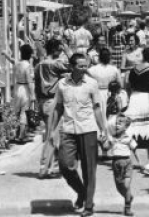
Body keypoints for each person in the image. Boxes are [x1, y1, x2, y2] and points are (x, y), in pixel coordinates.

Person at [47, 53, 109, 217]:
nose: (84, 69)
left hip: (88, 129)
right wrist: (52, 130)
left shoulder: (92, 83)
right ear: (71, 66)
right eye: (80, 66)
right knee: (65, 165)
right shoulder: (62, 84)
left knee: (89, 169)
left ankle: (88, 205)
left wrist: (103, 129)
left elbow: (97, 108)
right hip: (68, 129)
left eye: (85, 66)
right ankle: (82, 192)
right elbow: (58, 108)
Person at [36, 39, 70, 179]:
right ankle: (44, 168)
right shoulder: (56, 64)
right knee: (51, 135)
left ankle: (54, 167)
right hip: (52, 101)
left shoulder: (39, 65)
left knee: (54, 135)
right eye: (60, 49)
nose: (61, 52)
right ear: (55, 50)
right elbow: (74, 66)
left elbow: (36, 85)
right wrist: (68, 51)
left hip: (42, 101)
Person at [102, 93, 136, 216]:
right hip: (116, 163)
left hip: (127, 162)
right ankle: (129, 196)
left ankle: (127, 207)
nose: (117, 124)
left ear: (126, 126)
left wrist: (138, 160)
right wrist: (104, 142)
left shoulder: (128, 137)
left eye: (120, 123)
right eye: (116, 122)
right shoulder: (112, 138)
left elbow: (134, 147)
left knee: (126, 185)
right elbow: (106, 147)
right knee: (119, 186)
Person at [125, 47, 149, 144]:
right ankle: (146, 141)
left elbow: (127, 85)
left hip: (134, 96)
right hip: (147, 98)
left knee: (135, 122)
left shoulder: (133, 70)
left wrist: (130, 96)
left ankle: (135, 142)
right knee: (147, 123)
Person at [8, 44, 36, 144]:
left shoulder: (18, 64)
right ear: (30, 54)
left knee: (16, 112)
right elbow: (29, 81)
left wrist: (6, 55)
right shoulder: (28, 66)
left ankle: (13, 134)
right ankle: (21, 136)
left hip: (17, 88)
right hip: (25, 89)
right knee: (24, 112)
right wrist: (32, 95)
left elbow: (12, 61)